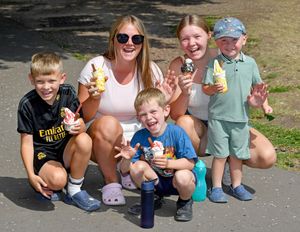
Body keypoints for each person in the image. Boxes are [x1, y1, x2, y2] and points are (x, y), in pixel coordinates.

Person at [77, 15, 175, 206]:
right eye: (123, 38)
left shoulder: (151, 70)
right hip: (103, 141)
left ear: (142, 43)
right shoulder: (96, 66)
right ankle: (111, 181)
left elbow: (157, 122)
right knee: (109, 123)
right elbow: (81, 117)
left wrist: (164, 103)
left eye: (136, 39)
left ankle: (127, 169)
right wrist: (94, 98)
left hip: (139, 144)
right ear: (113, 39)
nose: (129, 43)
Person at [168, 15, 276, 176]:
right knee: (183, 123)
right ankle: (192, 168)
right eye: (185, 39)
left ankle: (228, 159)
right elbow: (175, 114)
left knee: (267, 157)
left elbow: (251, 88)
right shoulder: (179, 65)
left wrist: (257, 103)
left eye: (197, 36)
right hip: (201, 130)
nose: (192, 44)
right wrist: (184, 93)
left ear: (209, 35)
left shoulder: (227, 55)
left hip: (230, 122)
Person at [17, 52, 101, 211]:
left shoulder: (67, 93)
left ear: (62, 78)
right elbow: (26, 144)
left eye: (51, 81)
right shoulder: (27, 104)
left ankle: (74, 189)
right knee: (58, 180)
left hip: (65, 148)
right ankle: (45, 178)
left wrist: (79, 125)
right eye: (40, 82)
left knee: (84, 139)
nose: (46, 87)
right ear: (31, 79)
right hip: (43, 153)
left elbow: (80, 120)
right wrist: (30, 175)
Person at [202, 17, 272, 202]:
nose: (229, 44)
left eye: (234, 39)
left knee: (237, 155)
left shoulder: (250, 63)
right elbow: (205, 88)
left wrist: (265, 106)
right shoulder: (215, 63)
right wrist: (212, 88)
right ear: (216, 42)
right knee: (220, 154)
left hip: (241, 119)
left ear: (244, 39)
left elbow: (259, 88)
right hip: (218, 118)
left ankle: (236, 186)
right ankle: (216, 188)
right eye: (224, 40)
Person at [115, 88, 198, 221]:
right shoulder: (140, 137)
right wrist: (127, 159)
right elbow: (124, 170)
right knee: (137, 167)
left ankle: (185, 201)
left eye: (153, 111)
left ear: (165, 110)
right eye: (143, 114)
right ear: (139, 118)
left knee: (183, 176)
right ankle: (151, 197)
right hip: (155, 180)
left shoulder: (176, 133)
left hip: (176, 181)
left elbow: (190, 163)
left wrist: (169, 163)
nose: (149, 117)